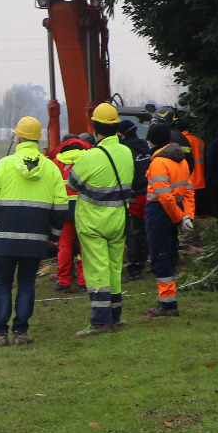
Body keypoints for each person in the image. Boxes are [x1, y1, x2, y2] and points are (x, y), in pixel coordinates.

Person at [0, 115, 70, 346]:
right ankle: (21, 332)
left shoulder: (4, 164)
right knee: (27, 283)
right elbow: (61, 206)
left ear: (17, 138)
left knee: (2, 283)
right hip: (36, 238)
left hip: (5, 238)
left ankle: (0, 334)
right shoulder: (50, 168)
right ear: (38, 140)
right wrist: (53, 235)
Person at [68, 104, 136, 336]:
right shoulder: (127, 152)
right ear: (116, 126)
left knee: (97, 270)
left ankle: (100, 322)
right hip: (118, 220)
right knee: (115, 267)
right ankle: (115, 316)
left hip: (93, 223)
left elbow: (73, 183)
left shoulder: (92, 156)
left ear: (95, 126)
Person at [142, 128, 195, 317]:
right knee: (169, 254)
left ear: (152, 141)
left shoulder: (158, 163)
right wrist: (187, 216)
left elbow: (164, 197)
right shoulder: (181, 161)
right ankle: (167, 301)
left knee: (160, 256)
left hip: (159, 212)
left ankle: (167, 304)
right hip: (175, 209)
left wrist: (179, 217)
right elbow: (188, 190)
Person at [50, 135, 94, 292]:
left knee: (65, 246)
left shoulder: (56, 162)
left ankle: (64, 281)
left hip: (63, 210)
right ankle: (84, 281)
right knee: (86, 246)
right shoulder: (88, 159)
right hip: (84, 209)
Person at [120, 119, 153, 281]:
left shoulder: (125, 151)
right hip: (149, 194)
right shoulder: (145, 148)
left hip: (134, 197)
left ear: (122, 134)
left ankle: (134, 271)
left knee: (134, 235)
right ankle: (150, 263)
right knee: (148, 232)